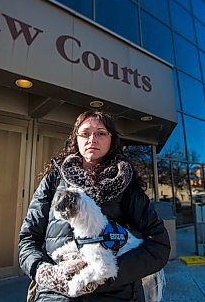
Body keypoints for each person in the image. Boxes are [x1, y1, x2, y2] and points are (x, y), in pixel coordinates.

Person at [19, 110, 170, 301]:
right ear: (76, 138)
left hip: (116, 295)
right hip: (55, 295)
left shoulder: (126, 184)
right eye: (85, 133)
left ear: (111, 139)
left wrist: (103, 276)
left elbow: (159, 245)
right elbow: (28, 238)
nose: (92, 139)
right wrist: (43, 271)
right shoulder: (54, 180)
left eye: (100, 133)